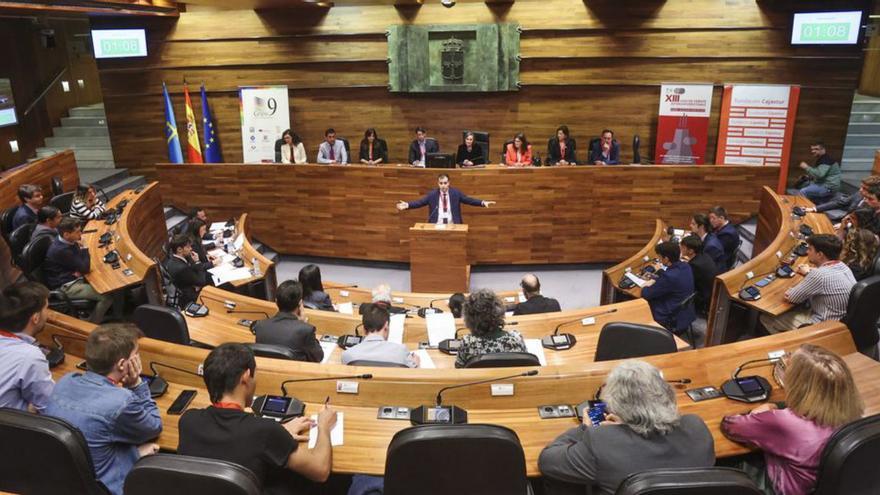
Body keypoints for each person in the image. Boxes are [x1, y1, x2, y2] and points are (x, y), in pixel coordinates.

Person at [539, 360, 714, 495]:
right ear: (666, 394)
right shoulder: (697, 427)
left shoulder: (601, 441)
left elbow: (547, 461)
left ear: (616, 408)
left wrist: (585, 429)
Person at [179, 343, 336, 493]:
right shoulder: (265, 431)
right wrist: (324, 426)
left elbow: (238, 442)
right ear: (246, 377)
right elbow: (320, 471)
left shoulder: (188, 421)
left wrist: (281, 433)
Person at [721, 344, 863, 495]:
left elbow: (730, 426)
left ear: (799, 385)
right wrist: (776, 405)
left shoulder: (786, 422)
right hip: (817, 487)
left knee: (724, 461)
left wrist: (761, 412)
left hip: (780, 489)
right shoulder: (854, 416)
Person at [45, 324, 162, 495]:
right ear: (122, 364)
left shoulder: (65, 381)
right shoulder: (120, 402)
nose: (138, 359)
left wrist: (134, 453)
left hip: (64, 482)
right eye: (136, 355)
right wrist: (136, 385)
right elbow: (154, 426)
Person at [760, 234, 856, 334]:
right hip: (840, 322)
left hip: (823, 325)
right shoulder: (843, 266)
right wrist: (808, 273)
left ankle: (791, 345)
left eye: (810, 249)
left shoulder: (819, 275)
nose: (807, 252)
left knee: (767, 318)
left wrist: (791, 289)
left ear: (820, 254)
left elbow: (792, 297)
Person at [43, 217, 113, 323]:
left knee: (109, 283)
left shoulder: (67, 241)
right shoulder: (61, 249)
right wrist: (84, 247)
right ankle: (92, 324)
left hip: (72, 277)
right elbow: (85, 268)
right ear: (66, 234)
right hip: (66, 286)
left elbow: (80, 262)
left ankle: (114, 313)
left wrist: (80, 266)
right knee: (106, 296)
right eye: (78, 232)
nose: (81, 234)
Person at [0, 282, 53, 413]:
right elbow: (49, 407)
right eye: (46, 309)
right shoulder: (29, 357)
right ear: (35, 318)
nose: (48, 314)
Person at [253, 280, 324, 362]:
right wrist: (303, 323)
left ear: (276, 302)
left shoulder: (260, 326)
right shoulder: (306, 330)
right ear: (300, 304)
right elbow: (318, 357)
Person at [455, 289, 527, 368]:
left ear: (468, 318)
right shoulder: (515, 338)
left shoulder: (467, 343)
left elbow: (459, 369)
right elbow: (526, 364)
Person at [396, 173, 495, 225]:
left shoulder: (456, 193)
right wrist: (408, 205)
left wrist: (482, 202)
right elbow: (420, 202)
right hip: (437, 225)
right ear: (438, 183)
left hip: (453, 224)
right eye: (441, 183)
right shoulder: (432, 195)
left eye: (445, 183)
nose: (443, 186)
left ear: (449, 183)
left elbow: (469, 200)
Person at [641, 241, 696, 334]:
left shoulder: (669, 277)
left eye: (659, 257)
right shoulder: (686, 266)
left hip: (669, 314)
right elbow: (672, 279)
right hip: (685, 311)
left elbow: (647, 294)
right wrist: (659, 275)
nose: (658, 259)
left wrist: (645, 285)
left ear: (666, 258)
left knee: (640, 302)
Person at [342, 303, 419, 367]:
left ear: (364, 329)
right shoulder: (401, 352)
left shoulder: (348, 355)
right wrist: (416, 364)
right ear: (386, 326)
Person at [165, 234, 217, 308]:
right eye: (188, 247)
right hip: (191, 297)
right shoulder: (182, 268)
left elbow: (192, 269)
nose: (191, 249)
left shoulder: (172, 259)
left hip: (186, 287)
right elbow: (201, 281)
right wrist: (198, 261)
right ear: (179, 249)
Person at [808, 175, 880, 220]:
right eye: (861, 187)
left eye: (864, 188)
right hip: (844, 220)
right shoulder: (859, 194)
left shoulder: (873, 206)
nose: (860, 190)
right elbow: (840, 203)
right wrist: (815, 209)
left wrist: (847, 226)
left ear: (872, 191)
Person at [680, 234, 717, 317]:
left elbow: (685, 282)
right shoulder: (704, 255)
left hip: (700, 297)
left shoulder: (695, 265)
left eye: (682, 247)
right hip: (709, 291)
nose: (680, 249)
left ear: (691, 251)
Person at [708, 206, 740, 270]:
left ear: (721, 218)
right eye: (710, 218)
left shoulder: (728, 234)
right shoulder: (720, 226)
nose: (710, 221)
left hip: (721, 263)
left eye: (713, 218)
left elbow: (714, 250)